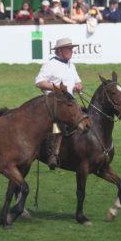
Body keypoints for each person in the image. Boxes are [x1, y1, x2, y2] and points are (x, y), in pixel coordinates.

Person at [35, 37, 83, 169]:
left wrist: (78, 86)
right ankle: (53, 154)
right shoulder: (50, 65)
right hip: (54, 106)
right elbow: (39, 82)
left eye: (72, 49)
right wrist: (55, 88)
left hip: (70, 104)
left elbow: (78, 82)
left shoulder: (71, 65)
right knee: (58, 125)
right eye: (69, 49)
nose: (72, 51)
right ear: (60, 51)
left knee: (86, 118)